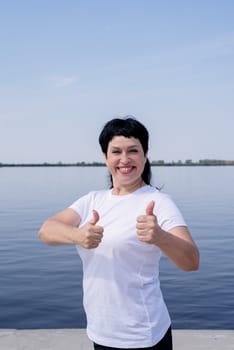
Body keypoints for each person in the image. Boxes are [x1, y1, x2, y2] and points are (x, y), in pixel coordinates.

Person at [38, 117, 199, 350]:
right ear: (105, 157)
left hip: (144, 335)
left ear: (145, 155)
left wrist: (161, 237)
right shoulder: (92, 200)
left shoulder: (159, 202)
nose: (124, 159)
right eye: (116, 152)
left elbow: (192, 261)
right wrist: (78, 235)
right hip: (100, 332)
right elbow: (46, 231)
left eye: (133, 150)